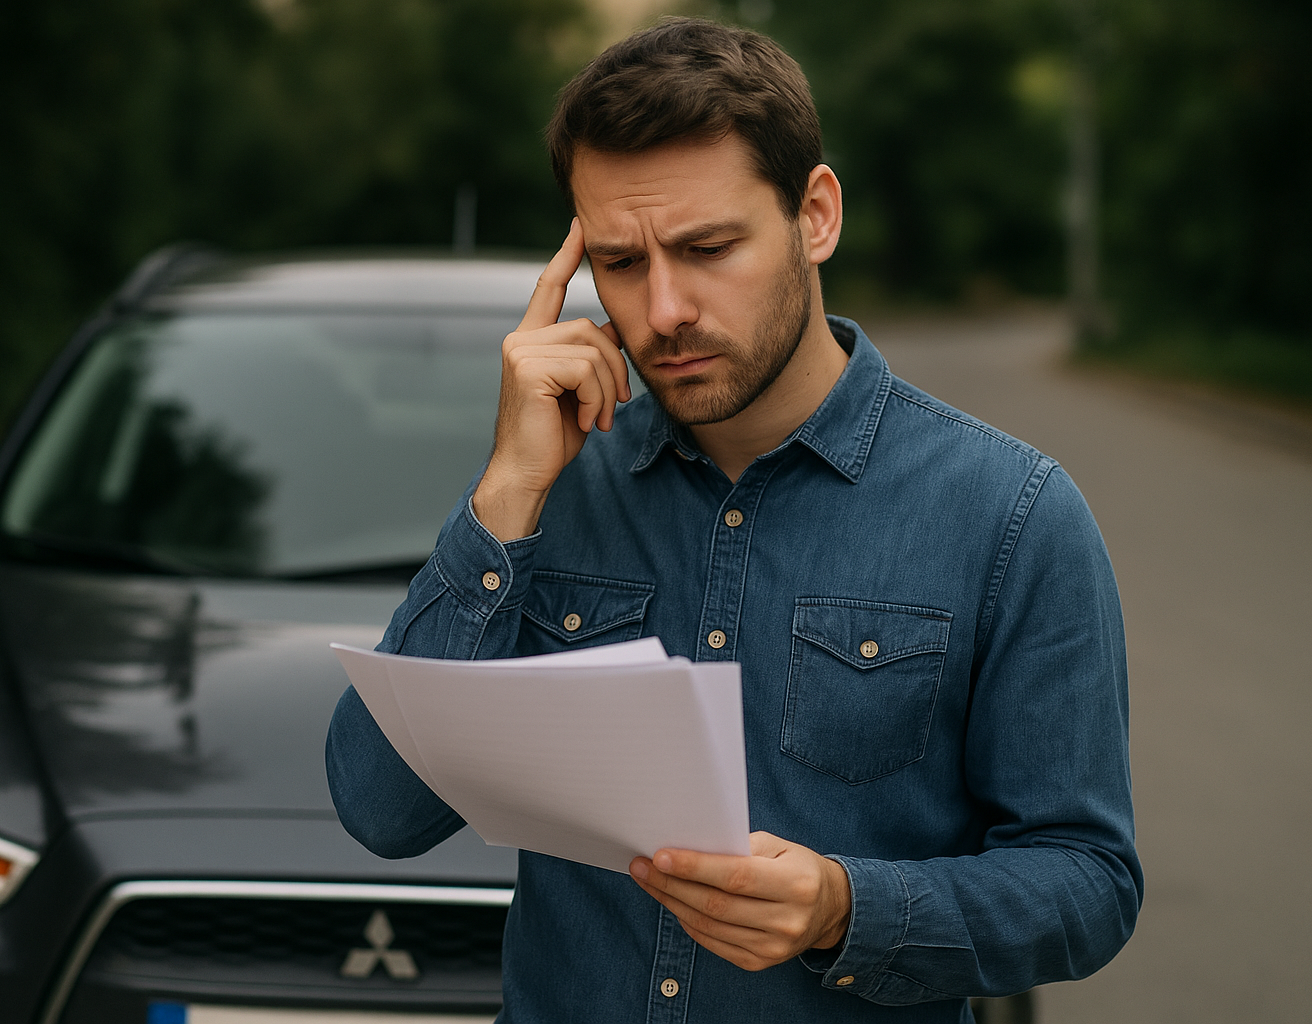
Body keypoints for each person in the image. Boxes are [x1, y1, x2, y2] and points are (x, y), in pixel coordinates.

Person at [326, 17, 1140, 1023]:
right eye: (621, 261)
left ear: (817, 216)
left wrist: (849, 908)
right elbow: (379, 810)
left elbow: (1089, 883)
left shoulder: (1012, 515)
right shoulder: (551, 484)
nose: (663, 307)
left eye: (709, 247)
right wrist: (502, 498)